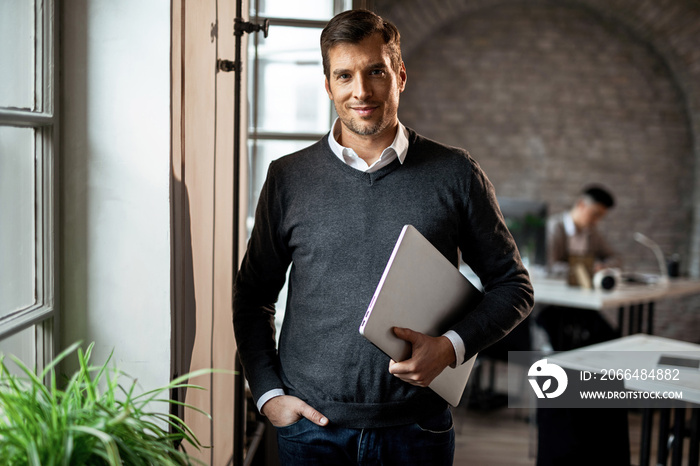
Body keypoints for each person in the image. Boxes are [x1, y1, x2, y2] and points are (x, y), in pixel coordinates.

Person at [233, 9, 533, 465]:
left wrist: (450, 348)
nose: (362, 91)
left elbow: (514, 287)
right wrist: (269, 394)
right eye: (345, 75)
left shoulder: (455, 173)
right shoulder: (287, 178)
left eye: (376, 71)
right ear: (329, 85)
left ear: (400, 75)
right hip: (310, 430)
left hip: (417, 430)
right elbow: (253, 296)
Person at [546, 185, 621, 277]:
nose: (597, 221)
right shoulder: (554, 228)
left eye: (601, 217)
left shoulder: (592, 233)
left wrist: (603, 266)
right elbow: (549, 266)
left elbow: (616, 258)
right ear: (581, 204)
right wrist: (587, 269)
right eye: (595, 214)